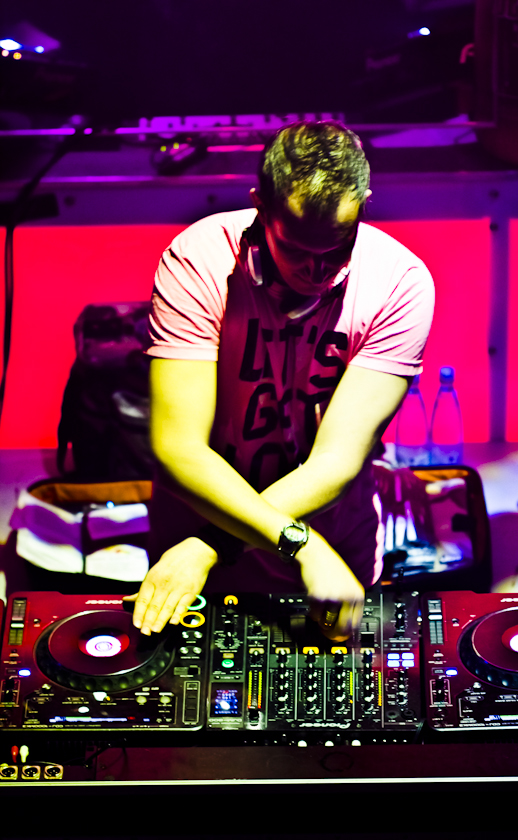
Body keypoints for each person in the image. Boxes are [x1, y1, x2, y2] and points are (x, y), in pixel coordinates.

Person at [124, 120, 435, 642]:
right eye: (296, 249)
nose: (317, 271)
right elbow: (178, 448)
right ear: (260, 208)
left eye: (336, 247)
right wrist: (302, 545)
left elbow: (337, 461)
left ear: (364, 207)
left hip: (328, 560)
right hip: (203, 570)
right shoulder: (199, 259)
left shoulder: (400, 283)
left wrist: (213, 543)